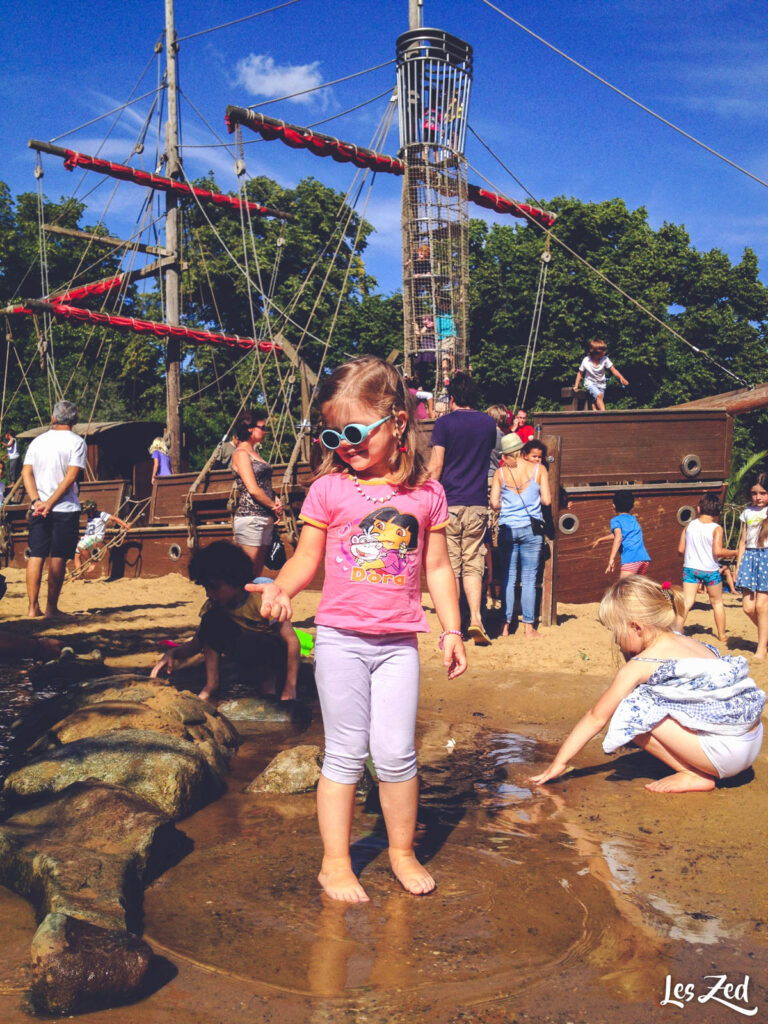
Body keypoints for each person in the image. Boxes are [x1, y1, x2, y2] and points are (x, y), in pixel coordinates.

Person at [252, 356, 466, 903]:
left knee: (397, 754)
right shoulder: (328, 490)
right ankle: (335, 862)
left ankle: (399, 851)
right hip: (341, 639)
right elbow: (306, 559)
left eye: (353, 431)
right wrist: (281, 589)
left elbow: (438, 568)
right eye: (332, 434)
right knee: (345, 751)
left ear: (397, 423)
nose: (343, 443)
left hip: (399, 642)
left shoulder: (427, 495)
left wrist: (452, 630)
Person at [529, 576, 765, 793]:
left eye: (615, 631)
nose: (615, 640)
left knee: (628, 710)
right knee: (648, 698)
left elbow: (596, 717)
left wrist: (559, 763)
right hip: (751, 742)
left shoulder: (641, 665)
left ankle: (693, 774)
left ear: (636, 627)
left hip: (726, 757)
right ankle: (699, 762)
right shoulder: (691, 642)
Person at [151, 540, 299, 703]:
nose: (209, 593)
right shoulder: (215, 607)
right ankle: (211, 684)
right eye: (206, 587)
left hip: (273, 658)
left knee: (265, 642)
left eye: (214, 587)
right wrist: (173, 653)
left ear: (235, 579)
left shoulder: (261, 598)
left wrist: (290, 687)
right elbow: (197, 643)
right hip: (245, 658)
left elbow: (292, 641)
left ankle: (268, 686)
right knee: (211, 620)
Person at [429, 371, 497, 645]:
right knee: (473, 564)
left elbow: (436, 466)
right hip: (478, 503)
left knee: (451, 566)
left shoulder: (444, 424)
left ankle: (454, 624)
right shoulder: (488, 425)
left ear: (452, 397)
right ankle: (478, 618)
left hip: (450, 502)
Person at [21, 400, 87, 619]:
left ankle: (32, 608)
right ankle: (51, 609)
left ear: (53, 419)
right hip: (64, 507)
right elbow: (71, 477)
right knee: (58, 556)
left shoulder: (38, 442)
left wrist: (36, 501)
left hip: (39, 508)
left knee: (37, 554)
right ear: (75, 420)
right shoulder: (77, 442)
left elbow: (26, 472)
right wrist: (49, 503)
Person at [490, 432, 551, 639]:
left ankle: (505, 627)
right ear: (522, 450)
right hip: (530, 529)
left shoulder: (500, 473)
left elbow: (494, 504)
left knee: (508, 577)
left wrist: (508, 504)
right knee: (529, 578)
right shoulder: (538, 469)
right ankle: (528, 628)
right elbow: (547, 501)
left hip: (507, 528)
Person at [231, 409, 283, 576]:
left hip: (264, 517)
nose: (265, 431)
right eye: (262, 427)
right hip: (250, 517)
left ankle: (253, 602)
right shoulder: (241, 453)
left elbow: (264, 484)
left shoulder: (255, 453)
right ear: (249, 429)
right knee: (247, 572)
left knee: (258, 571)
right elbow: (252, 489)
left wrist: (276, 499)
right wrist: (273, 506)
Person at [678, 494, 736, 643]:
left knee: (687, 601)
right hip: (710, 570)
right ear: (718, 512)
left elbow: (680, 549)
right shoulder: (716, 528)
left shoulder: (689, 526)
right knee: (717, 602)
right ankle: (722, 635)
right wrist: (735, 552)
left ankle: (676, 630)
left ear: (698, 509)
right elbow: (718, 551)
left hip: (691, 568)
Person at [734, 471, 768, 660]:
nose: (758, 497)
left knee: (762, 606)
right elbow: (742, 541)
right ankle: (766, 636)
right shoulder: (747, 512)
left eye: (763, 493)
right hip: (749, 558)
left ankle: (761, 648)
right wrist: (738, 565)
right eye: (754, 493)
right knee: (748, 607)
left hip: (766, 558)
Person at [592, 491, 650, 576]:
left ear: (613, 506)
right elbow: (620, 535)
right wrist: (601, 539)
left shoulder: (616, 520)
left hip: (631, 559)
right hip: (644, 559)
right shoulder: (633, 519)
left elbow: (618, 537)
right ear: (632, 506)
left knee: (622, 588)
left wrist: (611, 559)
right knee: (635, 588)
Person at [73, 500, 131, 574]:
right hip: (88, 537)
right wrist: (84, 537)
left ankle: (93, 562)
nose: (88, 513)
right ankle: (79, 573)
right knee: (76, 554)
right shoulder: (89, 517)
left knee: (81, 547)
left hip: (96, 537)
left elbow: (114, 519)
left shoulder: (101, 514)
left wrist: (125, 525)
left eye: (89, 511)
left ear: (93, 510)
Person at [574, 339, 628, 412]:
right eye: (603, 351)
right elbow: (580, 373)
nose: (605, 352)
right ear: (596, 352)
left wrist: (621, 378)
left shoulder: (605, 359)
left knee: (597, 403)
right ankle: (605, 415)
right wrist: (576, 385)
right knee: (599, 396)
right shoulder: (586, 360)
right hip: (590, 383)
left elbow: (613, 370)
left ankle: (594, 412)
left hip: (601, 384)